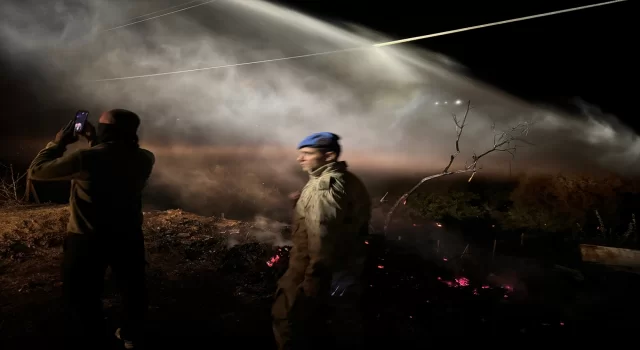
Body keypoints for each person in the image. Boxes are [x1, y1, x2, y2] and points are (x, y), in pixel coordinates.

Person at [28, 109, 155, 349]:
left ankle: (92, 338)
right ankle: (132, 334)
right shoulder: (145, 158)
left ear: (107, 131)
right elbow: (113, 155)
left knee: (83, 294)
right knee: (132, 288)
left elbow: (37, 171)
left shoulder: (85, 159)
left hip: (88, 237)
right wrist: (96, 141)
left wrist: (58, 143)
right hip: (127, 235)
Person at [272, 132, 372, 350]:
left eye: (307, 153)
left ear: (329, 156)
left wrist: (312, 280)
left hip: (315, 270)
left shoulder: (325, 186)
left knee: (287, 318)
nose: (300, 158)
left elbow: (322, 237)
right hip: (341, 269)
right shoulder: (338, 179)